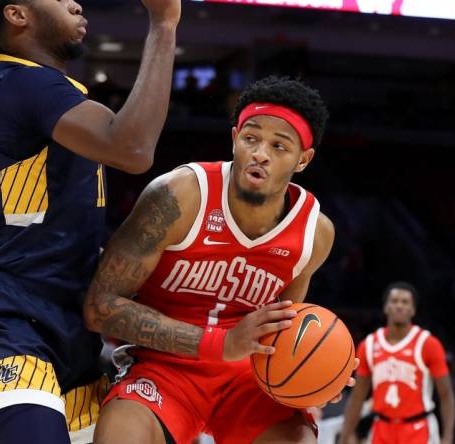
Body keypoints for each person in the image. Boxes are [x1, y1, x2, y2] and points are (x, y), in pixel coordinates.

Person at [0, 0, 181, 442]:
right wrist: (163, 24)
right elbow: (134, 149)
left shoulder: (47, 91)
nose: (75, 2)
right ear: (17, 14)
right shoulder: (25, 83)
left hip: (70, 323)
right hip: (11, 318)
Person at [84, 76, 353, 444]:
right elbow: (100, 307)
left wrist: (321, 372)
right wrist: (220, 344)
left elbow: (285, 327)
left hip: (248, 380)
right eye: (251, 138)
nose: (260, 153)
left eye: (279, 146)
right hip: (162, 368)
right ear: (234, 139)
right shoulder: (178, 195)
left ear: (303, 159)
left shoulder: (314, 233)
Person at [340, 282, 455, 444]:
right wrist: (346, 435)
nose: (399, 306)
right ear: (386, 307)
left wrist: (448, 437)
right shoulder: (369, 345)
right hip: (381, 428)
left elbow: (446, 395)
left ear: (413, 310)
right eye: (394, 301)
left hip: (419, 429)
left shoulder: (428, 344)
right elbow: (357, 396)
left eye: (405, 302)